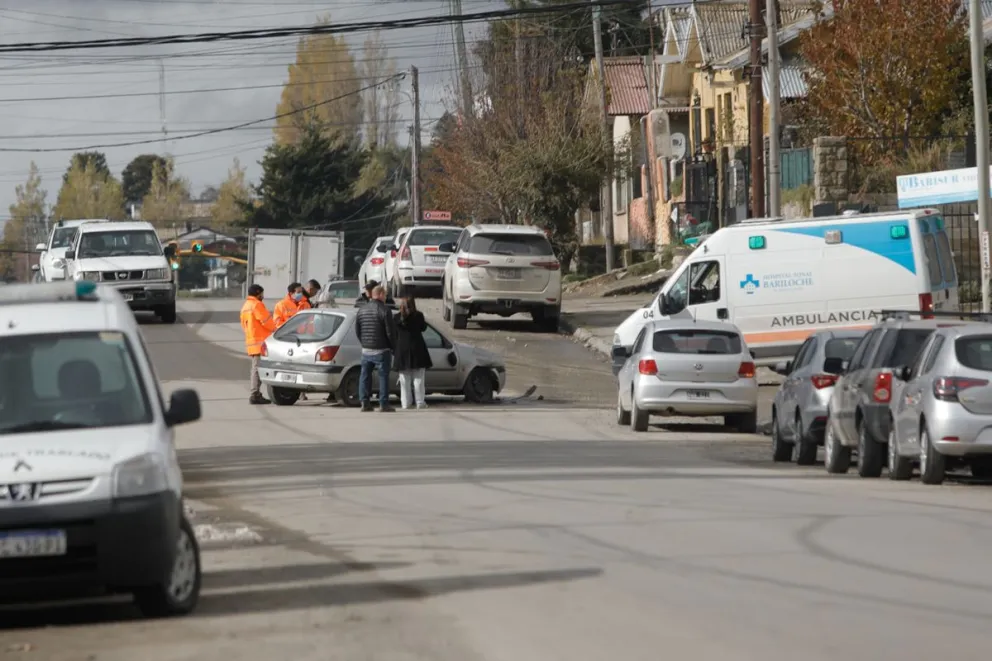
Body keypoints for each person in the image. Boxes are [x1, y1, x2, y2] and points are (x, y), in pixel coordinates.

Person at [354, 285, 397, 412]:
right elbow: (390, 332)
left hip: (366, 349)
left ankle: (364, 402)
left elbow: (358, 330)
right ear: (381, 294)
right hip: (382, 349)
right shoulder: (385, 310)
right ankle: (383, 403)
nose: (386, 297)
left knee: (365, 376)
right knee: (383, 376)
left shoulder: (361, 310)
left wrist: (364, 342)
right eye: (385, 294)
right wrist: (393, 347)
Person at [393, 295, 433, 410]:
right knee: (419, 378)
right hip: (417, 349)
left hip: (402, 350)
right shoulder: (418, 316)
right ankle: (420, 402)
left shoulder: (396, 318)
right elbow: (423, 328)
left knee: (404, 380)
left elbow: (394, 334)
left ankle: (405, 403)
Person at [240, 284, 276, 405]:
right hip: (260, 342)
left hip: (252, 341)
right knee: (256, 368)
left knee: (256, 368)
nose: (263, 296)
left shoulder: (245, 306)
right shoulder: (257, 305)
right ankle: (255, 394)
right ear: (257, 293)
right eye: (262, 293)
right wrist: (276, 329)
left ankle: (256, 393)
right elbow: (266, 321)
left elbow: (244, 325)